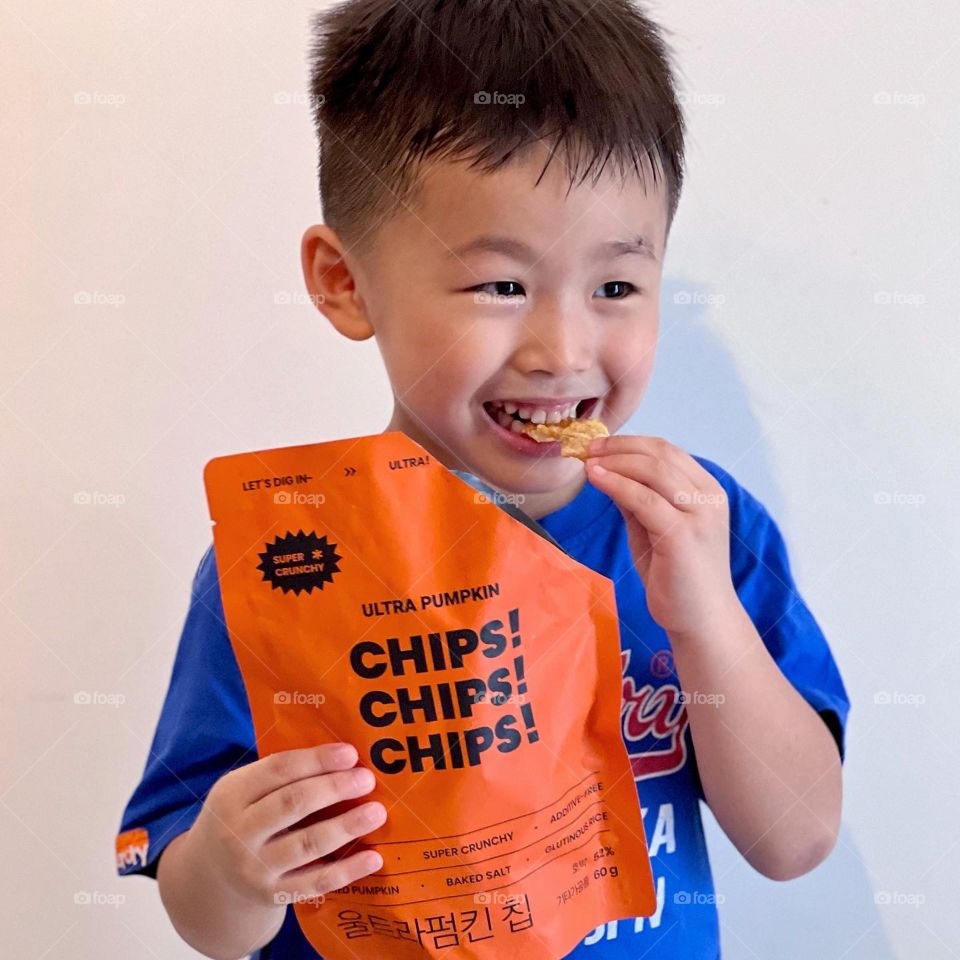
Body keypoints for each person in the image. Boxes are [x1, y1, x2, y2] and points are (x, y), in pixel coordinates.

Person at [114, 1, 850, 957]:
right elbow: (207, 919)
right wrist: (230, 862)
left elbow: (795, 840)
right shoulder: (290, 558)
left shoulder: (702, 530)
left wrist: (704, 615)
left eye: (617, 287)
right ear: (345, 283)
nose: (563, 350)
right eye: (501, 286)